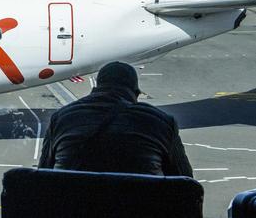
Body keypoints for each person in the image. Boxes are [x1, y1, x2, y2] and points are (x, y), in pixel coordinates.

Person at [39, 61, 193, 177]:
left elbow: (42, 175)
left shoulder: (62, 119)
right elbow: (185, 181)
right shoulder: (161, 122)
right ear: (136, 93)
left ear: (96, 88)